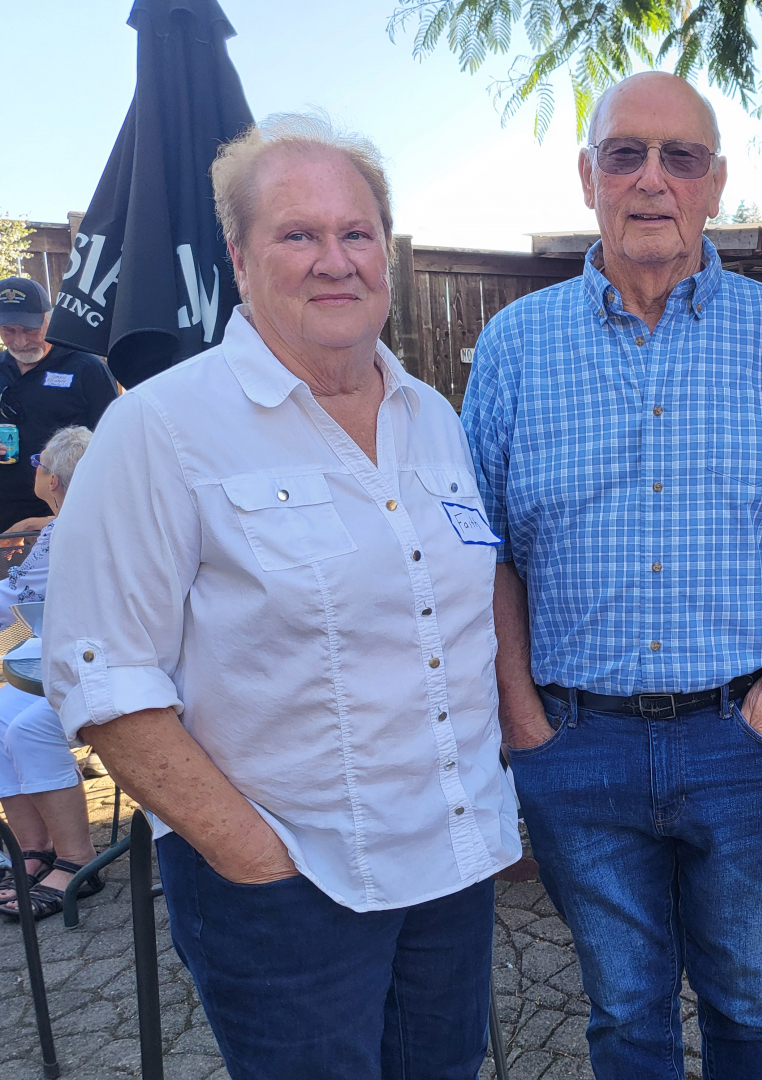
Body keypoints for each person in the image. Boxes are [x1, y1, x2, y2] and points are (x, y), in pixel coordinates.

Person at [42, 113, 520, 1080]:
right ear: (240, 256)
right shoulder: (161, 429)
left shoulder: (432, 417)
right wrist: (256, 857)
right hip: (287, 887)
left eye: (356, 233)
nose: (334, 260)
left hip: (448, 864)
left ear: (386, 251)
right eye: (298, 235)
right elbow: (100, 677)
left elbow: (462, 603)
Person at [462, 71, 762, 1078]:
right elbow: (482, 545)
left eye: (679, 157)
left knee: (751, 998)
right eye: (623, 153)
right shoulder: (510, 349)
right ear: (586, 176)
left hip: (746, 740)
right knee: (624, 1011)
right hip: (573, 743)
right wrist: (517, 717)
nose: (650, 179)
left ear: (714, 183)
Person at [0, 425, 103, 920]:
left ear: (55, 481)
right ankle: (33, 847)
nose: (34, 468)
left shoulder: (75, 529)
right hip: (64, 655)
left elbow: (15, 604)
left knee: (28, 728)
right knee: (1, 716)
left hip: (99, 663)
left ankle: (78, 860)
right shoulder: (60, 525)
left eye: (39, 462)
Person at [0, 277, 117, 532]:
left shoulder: (86, 368)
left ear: (49, 319)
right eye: (9, 330)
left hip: (65, 515)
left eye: (30, 330)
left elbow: (114, 446)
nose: (20, 342)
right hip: (5, 513)